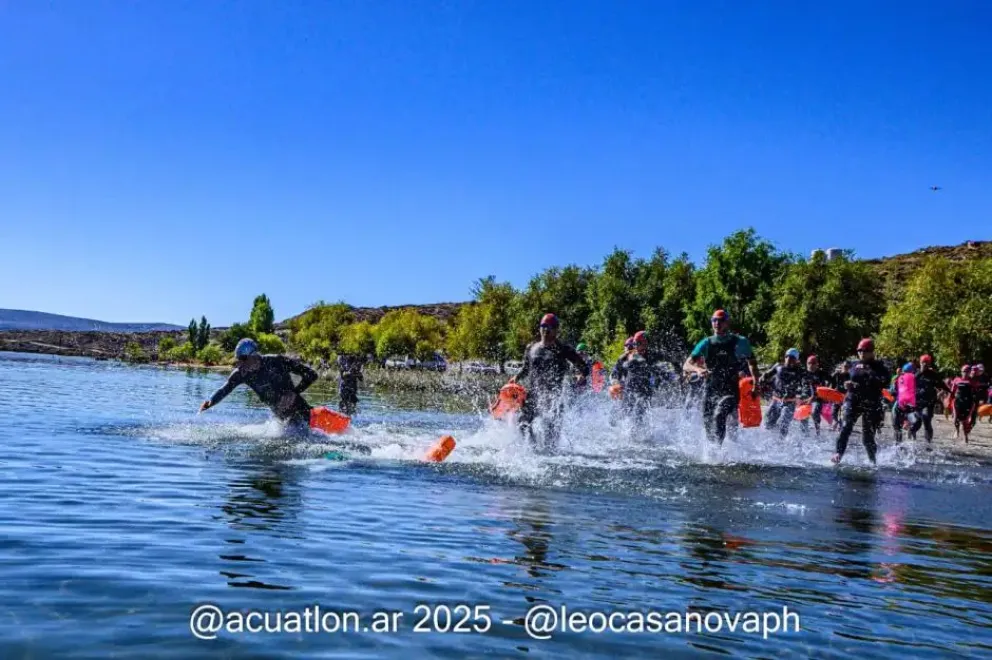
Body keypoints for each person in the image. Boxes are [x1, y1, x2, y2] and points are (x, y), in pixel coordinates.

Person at [199, 338, 319, 431]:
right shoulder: (241, 374)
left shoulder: (277, 361)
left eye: (243, 359)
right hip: (284, 423)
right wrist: (210, 402)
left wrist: (294, 393)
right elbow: (225, 389)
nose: (240, 364)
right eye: (238, 360)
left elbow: (312, 374)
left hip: (304, 415)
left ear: (254, 355)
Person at [510, 313, 590, 452]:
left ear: (556, 330)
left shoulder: (563, 349)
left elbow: (584, 368)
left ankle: (550, 457)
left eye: (550, 327)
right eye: (543, 326)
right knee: (522, 424)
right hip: (533, 396)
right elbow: (526, 368)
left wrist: (581, 375)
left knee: (550, 440)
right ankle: (533, 450)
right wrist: (516, 378)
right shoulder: (531, 348)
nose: (546, 329)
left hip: (554, 400)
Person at [683, 309, 760, 445]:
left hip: (730, 390)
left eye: (721, 320)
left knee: (719, 414)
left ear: (727, 323)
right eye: (714, 320)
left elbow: (752, 363)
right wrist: (698, 369)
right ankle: (714, 450)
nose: (717, 323)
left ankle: (717, 452)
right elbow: (686, 365)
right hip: (711, 389)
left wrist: (756, 383)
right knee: (708, 425)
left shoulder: (740, 342)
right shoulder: (706, 343)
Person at [832, 338, 890, 465]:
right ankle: (838, 454)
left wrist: (868, 374)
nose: (862, 353)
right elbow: (842, 380)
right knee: (845, 427)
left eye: (865, 351)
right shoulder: (853, 365)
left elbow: (885, 382)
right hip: (853, 400)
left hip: (871, 403)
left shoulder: (880, 367)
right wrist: (846, 382)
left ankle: (873, 461)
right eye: (859, 351)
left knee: (867, 438)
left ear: (872, 352)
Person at [760, 348, 808, 437]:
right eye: (787, 357)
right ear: (785, 357)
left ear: (796, 360)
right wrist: (760, 380)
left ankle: (781, 443)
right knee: (768, 424)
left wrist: (804, 394)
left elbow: (806, 384)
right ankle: (769, 440)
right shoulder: (778, 366)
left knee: (784, 425)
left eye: (792, 358)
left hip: (789, 402)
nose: (789, 359)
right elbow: (766, 375)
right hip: (776, 401)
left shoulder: (800, 371)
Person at [612, 336, 655, 429]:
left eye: (631, 346)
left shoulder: (646, 356)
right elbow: (615, 374)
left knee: (640, 413)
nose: (628, 349)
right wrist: (616, 384)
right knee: (625, 412)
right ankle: (620, 427)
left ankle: (639, 430)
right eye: (627, 346)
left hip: (644, 390)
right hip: (628, 389)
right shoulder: (623, 358)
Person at [910, 354, 949, 446]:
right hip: (917, 403)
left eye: (927, 363)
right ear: (920, 363)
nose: (925, 364)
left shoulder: (933, 375)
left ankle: (928, 443)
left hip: (929, 403)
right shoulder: (915, 375)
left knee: (926, 419)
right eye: (923, 362)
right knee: (917, 423)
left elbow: (942, 386)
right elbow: (908, 388)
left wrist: (945, 393)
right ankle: (911, 436)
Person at [802, 355, 832, 436]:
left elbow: (833, 381)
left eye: (813, 363)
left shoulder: (821, 373)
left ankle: (817, 433)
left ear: (817, 364)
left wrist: (828, 392)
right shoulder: (803, 373)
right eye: (809, 363)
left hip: (818, 398)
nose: (811, 365)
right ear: (806, 364)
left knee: (815, 412)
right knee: (803, 417)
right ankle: (805, 434)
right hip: (806, 397)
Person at [891, 363, 917, 444]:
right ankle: (912, 440)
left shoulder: (898, 378)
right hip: (911, 406)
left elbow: (893, 391)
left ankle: (898, 443)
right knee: (912, 424)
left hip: (899, 404)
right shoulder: (915, 378)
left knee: (896, 427)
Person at [951, 365, 977, 443]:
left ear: (969, 372)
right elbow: (952, 391)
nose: (965, 373)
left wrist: (975, 403)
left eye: (967, 372)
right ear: (961, 372)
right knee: (955, 419)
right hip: (958, 402)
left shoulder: (972, 381)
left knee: (965, 421)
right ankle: (957, 431)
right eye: (964, 371)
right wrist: (949, 399)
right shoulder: (957, 379)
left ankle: (965, 436)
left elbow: (975, 393)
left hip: (968, 402)